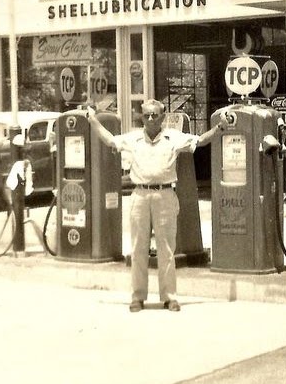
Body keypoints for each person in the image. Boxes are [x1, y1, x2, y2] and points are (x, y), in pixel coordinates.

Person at [88, 99, 227, 312]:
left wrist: (219, 128)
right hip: (140, 195)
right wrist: (91, 120)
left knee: (167, 249)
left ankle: (169, 297)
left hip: (165, 196)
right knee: (138, 248)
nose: (151, 119)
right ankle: (137, 297)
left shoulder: (173, 138)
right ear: (141, 117)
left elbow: (199, 141)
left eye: (155, 115)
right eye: (146, 115)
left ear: (163, 117)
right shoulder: (133, 138)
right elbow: (109, 141)